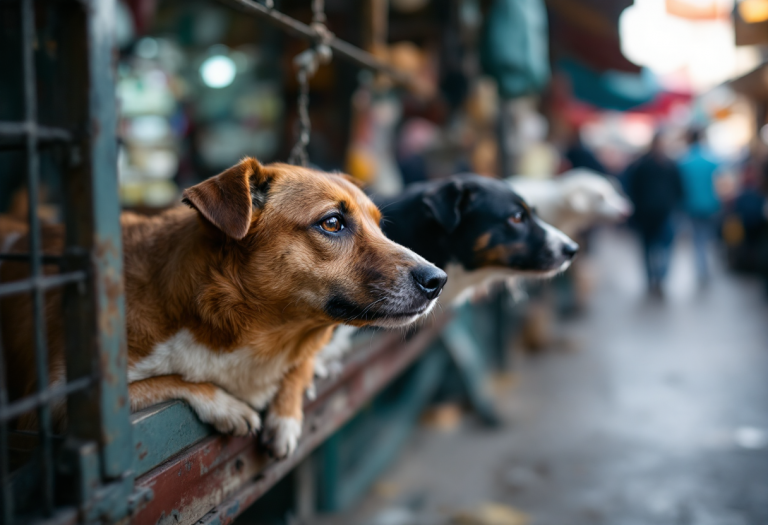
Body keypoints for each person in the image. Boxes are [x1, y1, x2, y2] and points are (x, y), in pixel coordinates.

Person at [624, 132, 684, 297]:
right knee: (649, 248)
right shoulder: (647, 165)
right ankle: (653, 279)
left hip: (663, 213)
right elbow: (633, 189)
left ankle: (659, 278)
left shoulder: (667, 165)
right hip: (648, 214)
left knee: (662, 248)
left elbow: (679, 188)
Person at [677, 129, 721, 285]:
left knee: (697, 239)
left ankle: (701, 268)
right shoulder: (712, 160)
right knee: (708, 237)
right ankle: (706, 267)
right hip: (711, 205)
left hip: (691, 206)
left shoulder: (683, 161)